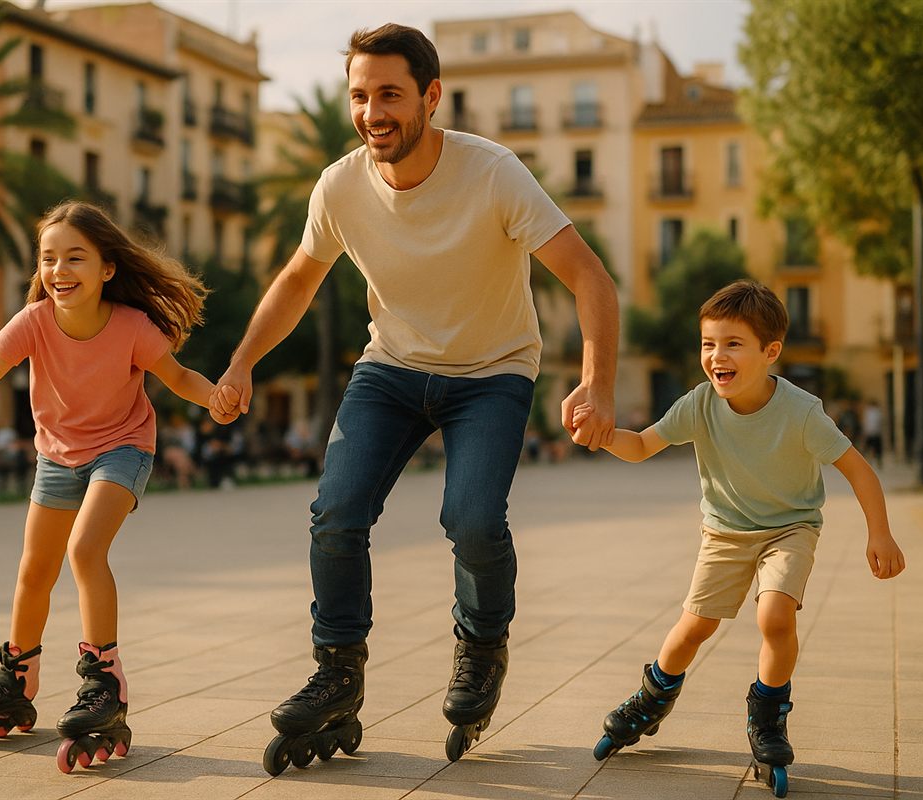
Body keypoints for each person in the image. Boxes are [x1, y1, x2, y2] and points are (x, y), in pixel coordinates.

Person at [210, 23, 618, 773]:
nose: (373, 113)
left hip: (493, 371)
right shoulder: (339, 184)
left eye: (390, 94)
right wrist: (241, 364)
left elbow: (591, 278)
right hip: (392, 367)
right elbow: (301, 277)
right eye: (360, 96)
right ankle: (337, 670)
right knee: (335, 509)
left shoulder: (493, 173)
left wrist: (596, 383)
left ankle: (482, 644)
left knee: (469, 518)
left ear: (432, 97)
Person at [0, 200, 231, 773]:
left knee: (85, 549)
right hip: (57, 457)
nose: (59, 271)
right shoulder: (34, 323)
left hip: (123, 447)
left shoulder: (131, 326)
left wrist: (215, 398)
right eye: (48, 259)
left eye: (75, 258)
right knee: (33, 569)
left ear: (106, 269)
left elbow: (178, 377)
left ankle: (103, 680)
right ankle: (16, 674)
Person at [577, 280, 904, 793]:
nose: (716, 356)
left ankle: (768, 716)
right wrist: (601, 435)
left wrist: (879, 534)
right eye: (708, 344)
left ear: (770, 352)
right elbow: (641, 446)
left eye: (732, 344)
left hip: (790, 527)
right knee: (693, 630)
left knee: (774, 615)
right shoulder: (699, 404)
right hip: (725, 531)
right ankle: (652, 698)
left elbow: (859, 470)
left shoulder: (801, 412)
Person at [861, 399, 884, 467]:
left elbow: (866, 423)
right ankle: (877, 462)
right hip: (876, 433)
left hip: (870, 433)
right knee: (877, 449)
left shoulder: (868, 411)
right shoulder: (878, 412)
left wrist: (864, 432)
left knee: (867, 448)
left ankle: (866, 462)